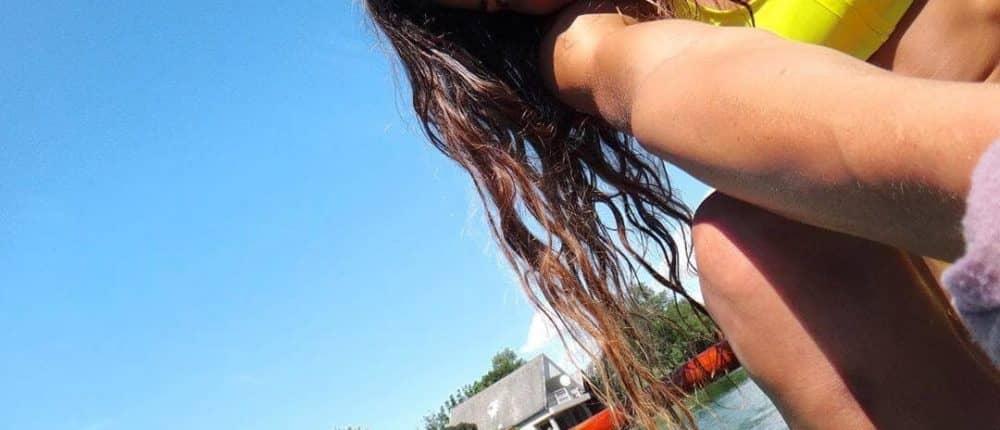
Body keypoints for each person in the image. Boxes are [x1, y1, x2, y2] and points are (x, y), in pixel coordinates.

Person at [365, 0, 1000, 428]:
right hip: (958, 246)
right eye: (492, 2)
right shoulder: (593, 33)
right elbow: (667, 75)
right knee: (742, 248)